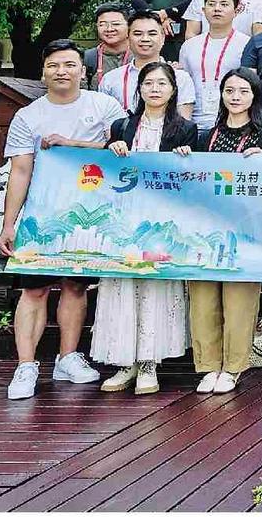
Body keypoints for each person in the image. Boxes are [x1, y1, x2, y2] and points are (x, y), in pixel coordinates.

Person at [0, 39, 124, 400]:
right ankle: (26, 365)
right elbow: (20, 171)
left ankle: (67, 357)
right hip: (43, 214)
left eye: (70, 65)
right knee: (34, 289)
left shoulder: (104, 106)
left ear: (83, 71)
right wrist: (9, 223)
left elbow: (122, 150)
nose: (61, 72)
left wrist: (74, 144)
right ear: (43, 72)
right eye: (54, 65)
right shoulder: (28, 116)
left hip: (90, 212)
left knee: (75, 285)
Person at [95, 61, 197, 395]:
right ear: (139, 88)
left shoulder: (186, 129)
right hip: (124, 218)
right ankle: (124, 361)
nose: (155, 89)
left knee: (155, 285)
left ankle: (150, 362)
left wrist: (185, 156)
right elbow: (106, 173)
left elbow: (190, 179)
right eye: (149, 83)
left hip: (162, 220)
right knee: (122, 284)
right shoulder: (122, 126)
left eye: (162, 83)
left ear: (173, 90)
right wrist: (113, 150)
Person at [190, 68, 262, 394]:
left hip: (248, 228)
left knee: (240, 299)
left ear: (255, 96)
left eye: (243, 91)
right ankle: (208, 365)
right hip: (205, 227)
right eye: (229, 91)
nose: (235, 97)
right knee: (203, 297)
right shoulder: (205, 135)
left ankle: (233, 367)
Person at [99, 10, 198, 119]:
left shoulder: (180, 78)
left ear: (163, 38)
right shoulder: (110, 79)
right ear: (128, 38)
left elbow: (183, 122)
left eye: (152, 34)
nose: (145, 39)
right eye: (138, 34)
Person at [178, 0, 249, 133]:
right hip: (194, 124)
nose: (217, 9)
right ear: (203, 10)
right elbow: (184, 86)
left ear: (236, 11)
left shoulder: (247, 44)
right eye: (211, 4)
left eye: (224, 4)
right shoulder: (189, 46)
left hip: (232, 124)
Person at [84, 3, 131, 90]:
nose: (109, 29)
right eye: (102, 24)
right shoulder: (88, 58)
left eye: (116, 24)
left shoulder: (140, 56)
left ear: (129, 26)